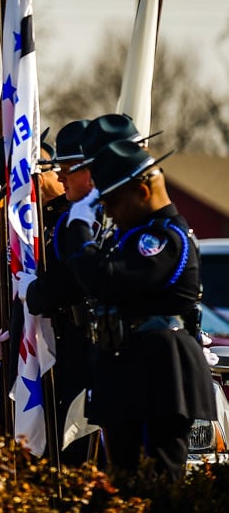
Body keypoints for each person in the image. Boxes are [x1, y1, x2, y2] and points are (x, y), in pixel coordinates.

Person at [68, 139, 216, 480]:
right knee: (124, 479)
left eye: (112, 202)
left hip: (160, 372)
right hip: (131, 366)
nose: (109, 212)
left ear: (143, 192)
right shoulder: (135, 235)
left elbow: (104, 280)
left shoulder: (162, 239)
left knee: (156, 480)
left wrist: (79, 228)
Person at [15, 122, 100, 465]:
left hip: (87, 341)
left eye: (63, 169)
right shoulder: (54, 219)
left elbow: (70, 282)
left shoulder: (83, 217)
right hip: (61, 342)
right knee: (59, 449)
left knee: (81, 448)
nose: (60, 177)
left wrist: (35, 291)